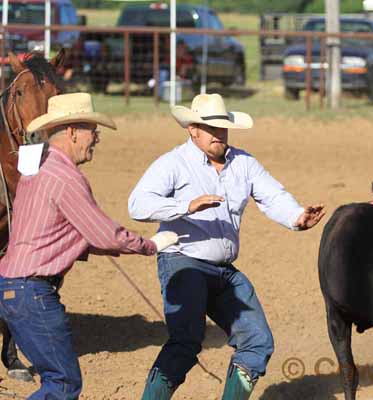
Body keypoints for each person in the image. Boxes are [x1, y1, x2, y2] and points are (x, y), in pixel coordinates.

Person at [128, 93, 325, 400]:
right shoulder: (173, 163)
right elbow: (138, 204)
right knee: (186, 341)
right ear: (192, 129)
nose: (219, 133)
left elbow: (272, 196)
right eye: (211, 128)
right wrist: (186, 206)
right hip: (183, 262)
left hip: (223, 270)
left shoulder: (244, 163)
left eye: (223, 127)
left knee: (257, 341)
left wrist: (297, 217)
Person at [0, 92, 179, 399]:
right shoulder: (67, 178)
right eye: (92, 130)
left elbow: (59, 233)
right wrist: (151, 244)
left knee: (59, 380)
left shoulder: (37, 168)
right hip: (33, 291)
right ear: (71, 132)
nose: (96, 138)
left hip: (14, 287)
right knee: (63, 384)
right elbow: (104, 235)